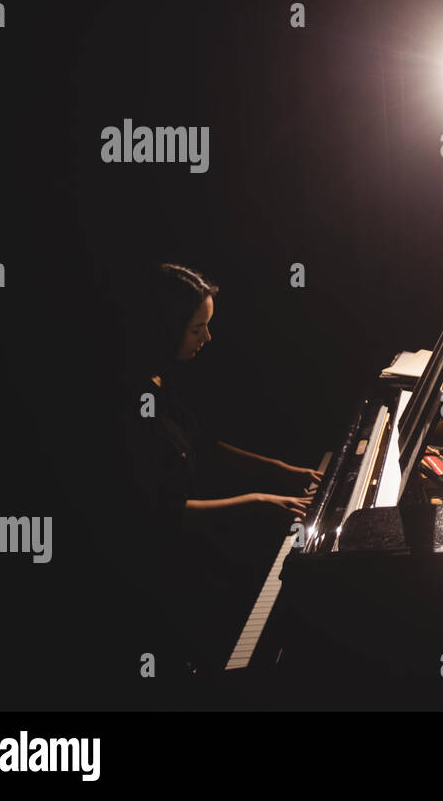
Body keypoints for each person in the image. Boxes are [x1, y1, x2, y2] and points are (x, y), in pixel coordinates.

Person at [120, 262, 321, 676]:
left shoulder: (161, 379)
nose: (207, 338)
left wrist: (283, 471)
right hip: (156, 575)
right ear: (165, 327)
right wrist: (255, 501)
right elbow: (158, 516)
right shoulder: (126, 400)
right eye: (197, 329)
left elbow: (205, 448)